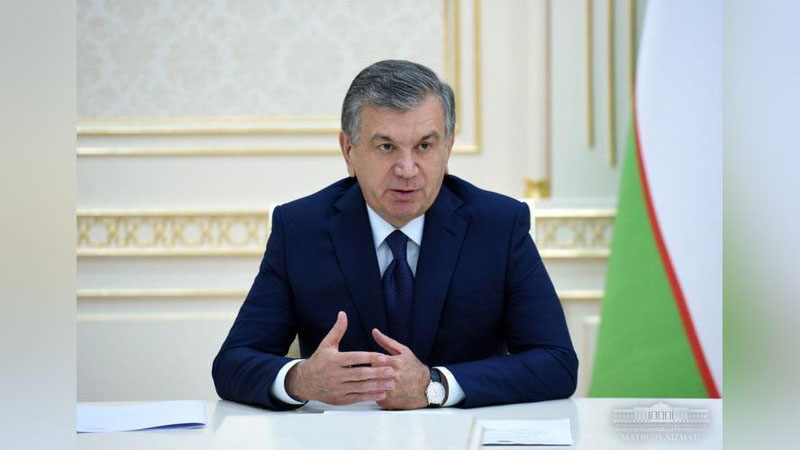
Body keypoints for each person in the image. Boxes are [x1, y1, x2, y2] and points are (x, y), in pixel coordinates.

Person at [212, 60, 577, 410]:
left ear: (448, 147)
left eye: (424, 146)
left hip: (461, 433)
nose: (407, 169)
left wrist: (436, 386)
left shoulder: (499, 225)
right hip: (342, 437)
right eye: (386, 147)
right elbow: (232, 363)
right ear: (349, 151)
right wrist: (301, 379)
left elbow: (556, 362)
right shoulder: (300, 228)